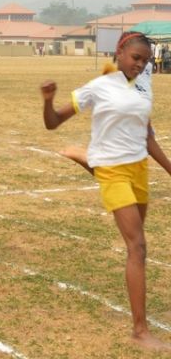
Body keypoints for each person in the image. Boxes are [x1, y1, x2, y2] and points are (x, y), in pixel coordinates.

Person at [40, 31, 171, 351]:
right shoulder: (99, 86)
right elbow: (53, 122)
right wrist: (48, 101)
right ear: (120, 52)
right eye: (135, 58)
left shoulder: (142, 88)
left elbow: (148, 137)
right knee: (137, 247)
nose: (140, 65)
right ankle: (140, 332)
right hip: (114, 171)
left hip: (137, 169)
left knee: (137, 246)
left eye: (145, 61)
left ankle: (87, 158)